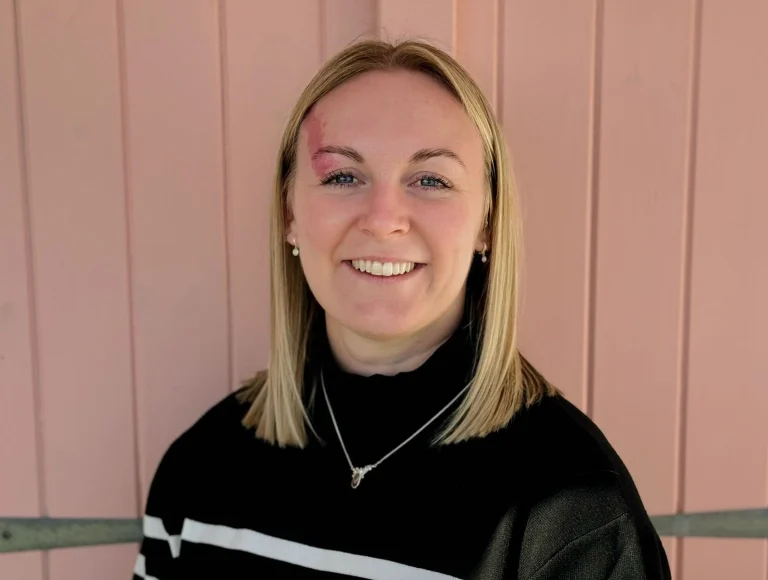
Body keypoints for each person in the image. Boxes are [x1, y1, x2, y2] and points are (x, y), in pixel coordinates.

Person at [132, 39, 671, 580]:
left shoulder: (572, 507)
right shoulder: (199, 469)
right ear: (289, 214)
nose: (383, 219)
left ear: (486, 223)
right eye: (343, 176)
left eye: (431, 180)